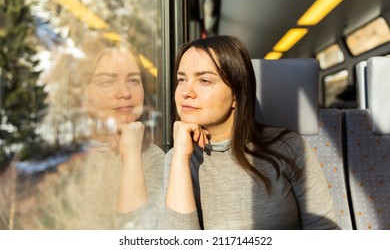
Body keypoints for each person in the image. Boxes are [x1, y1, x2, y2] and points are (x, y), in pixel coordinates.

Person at [158, 35, 340, 230]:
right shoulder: (177, 160)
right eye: (181, 79)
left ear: (237, 94)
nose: (186, 91)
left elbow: (325, 232)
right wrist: (179, 158)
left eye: (204, 80)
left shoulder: (288, 147)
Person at [14, 37, 165, 230]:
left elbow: (140, 237)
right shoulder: (58, 162)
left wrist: (132, 156)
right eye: (107, 81)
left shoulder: (153, 160)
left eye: (133, 80)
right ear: (83, 94)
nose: (125, 92)